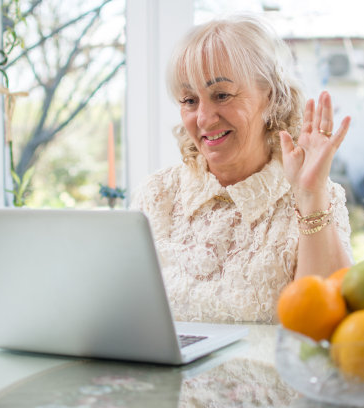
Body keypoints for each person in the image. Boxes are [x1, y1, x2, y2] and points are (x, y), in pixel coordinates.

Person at [131, 15, 352, 323]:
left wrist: (310, 195)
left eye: (222, 95)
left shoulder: (316, 196)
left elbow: (327, 328)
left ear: (271, 97)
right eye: (189, 100)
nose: (205, 119)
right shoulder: (156, 195)